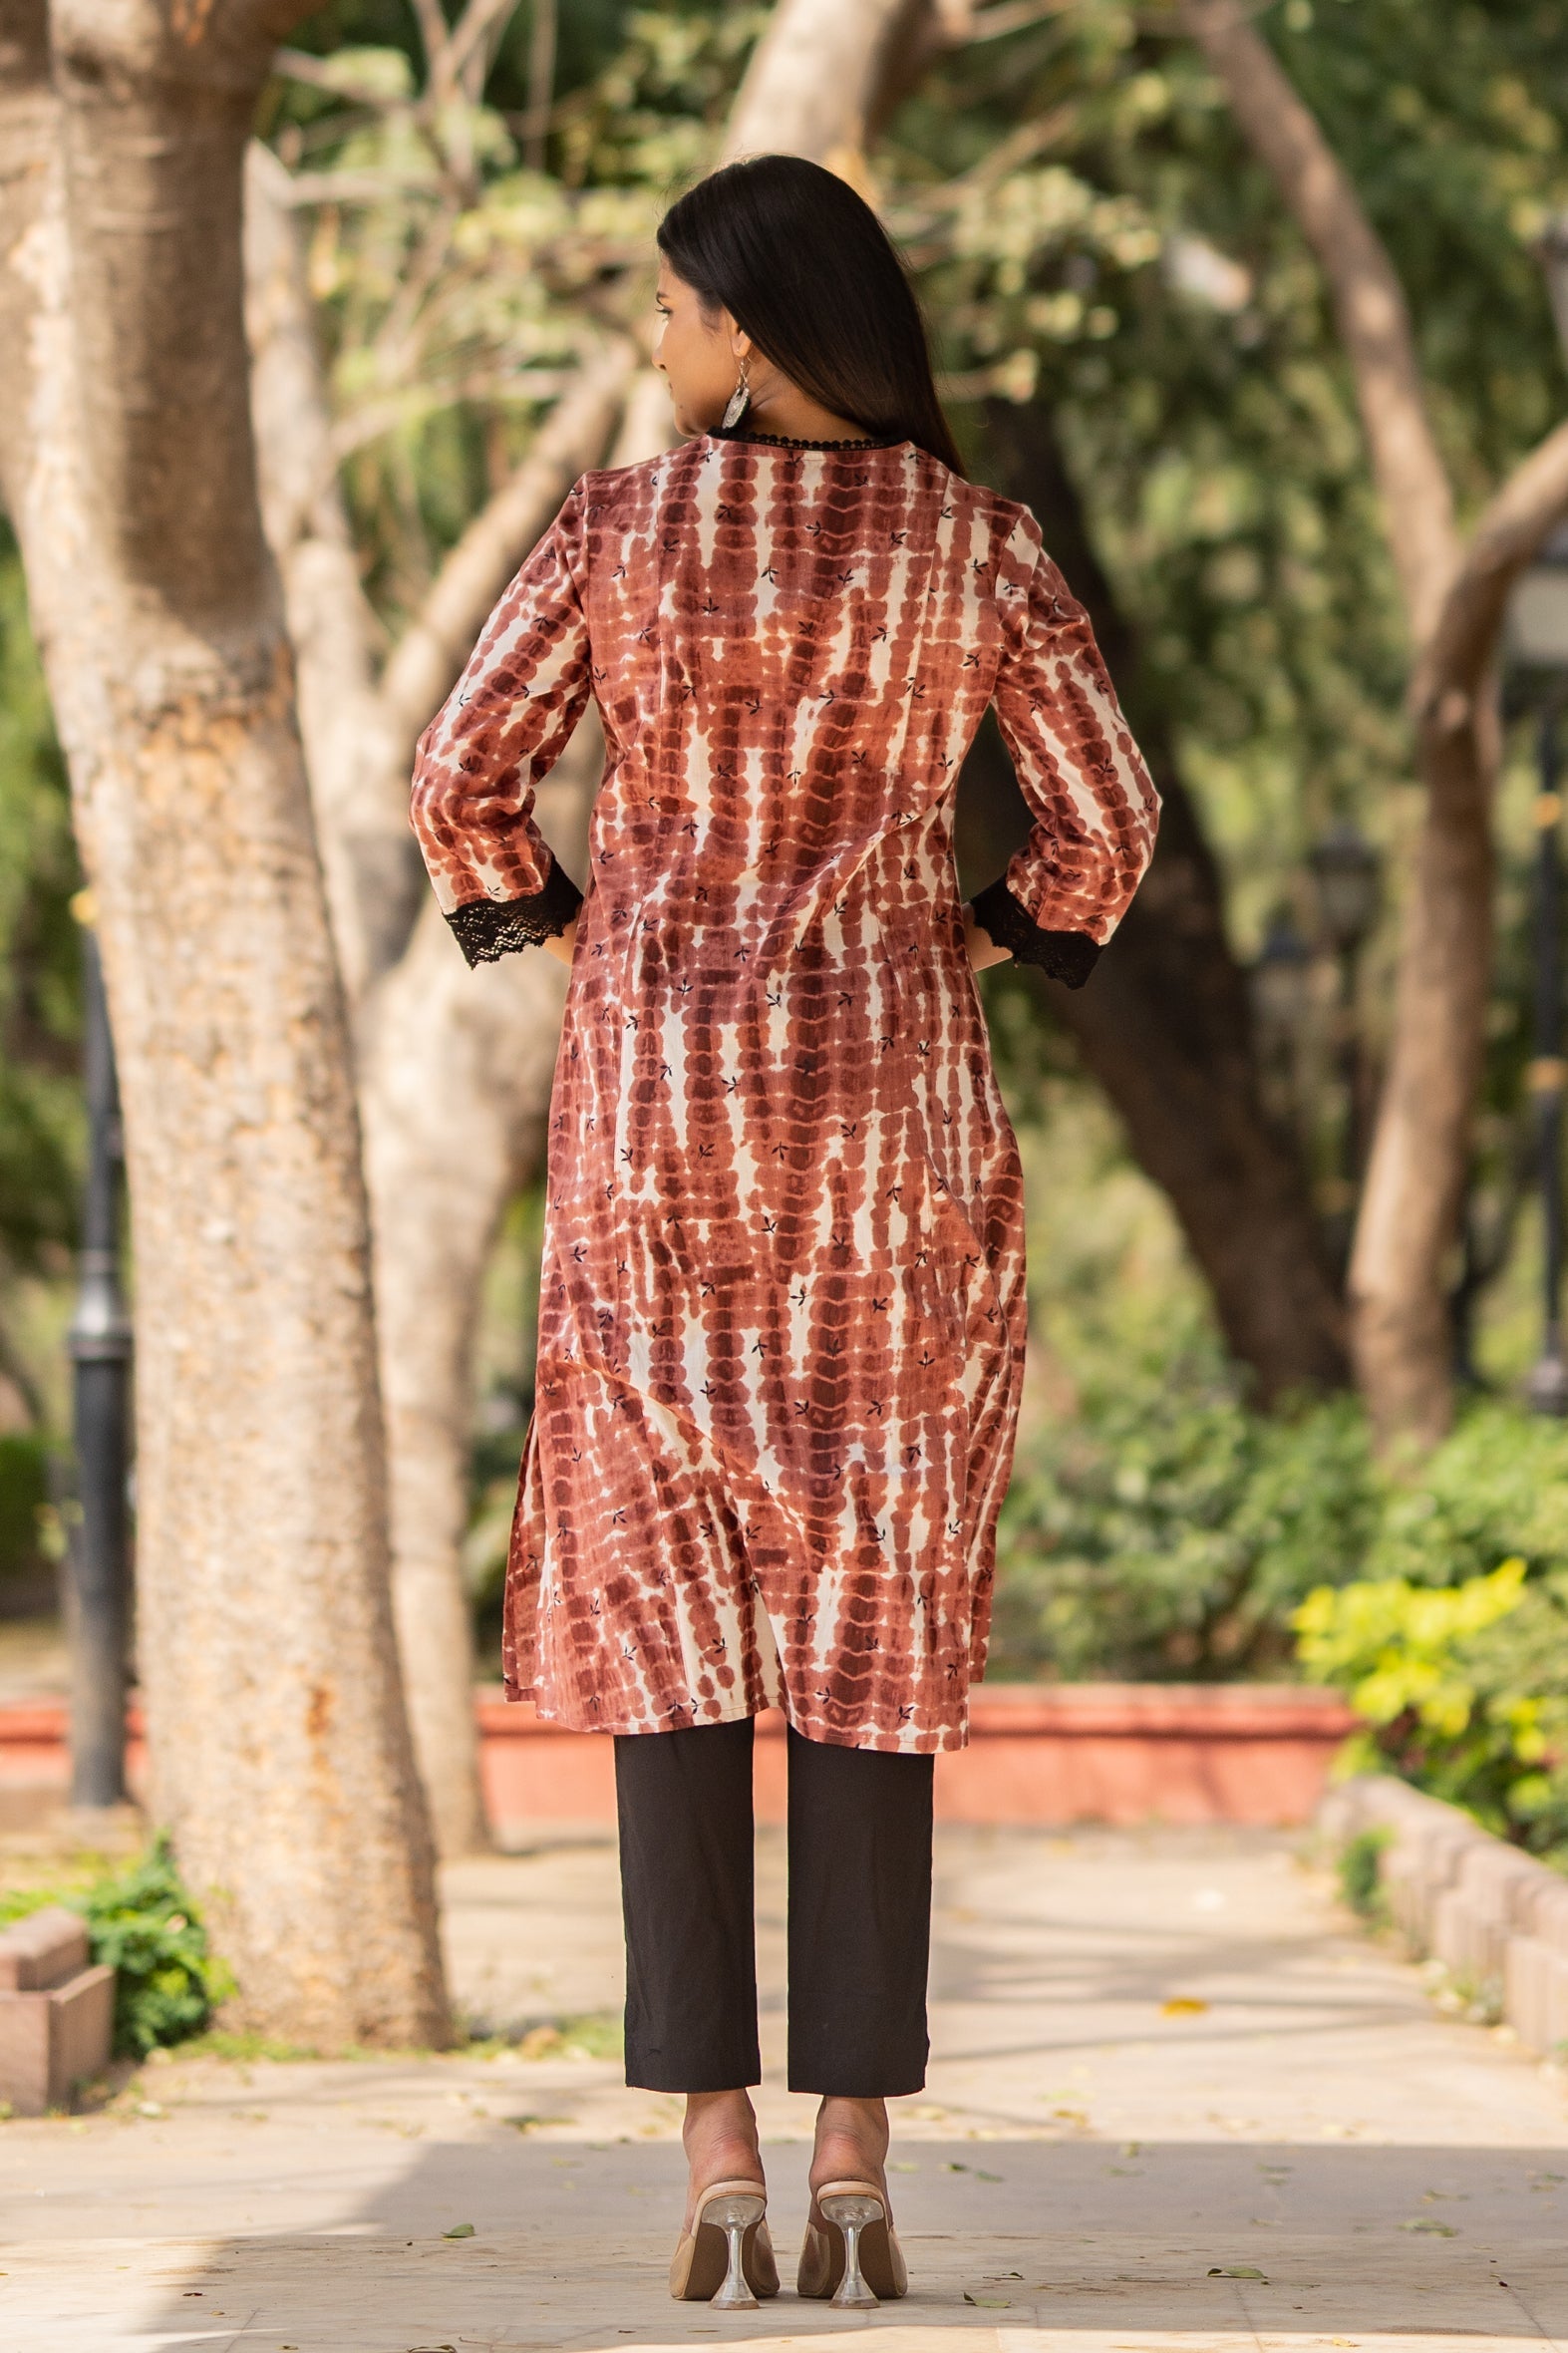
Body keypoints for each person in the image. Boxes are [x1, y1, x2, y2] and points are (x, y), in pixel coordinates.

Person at [410, 151, 1158, 2311]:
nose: (653, 341)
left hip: (658, 1148)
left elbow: (464, 767)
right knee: (870, 1631)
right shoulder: (974, 543)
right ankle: (852, 2155)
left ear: (744, 324)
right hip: (889, 1158)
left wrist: (579, 929)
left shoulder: (623, 528)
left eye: (666, 306)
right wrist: (975, 937)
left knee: (668, 1629)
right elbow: (1101, 822)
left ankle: (710, 2153)